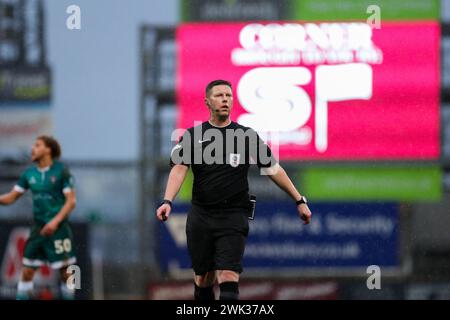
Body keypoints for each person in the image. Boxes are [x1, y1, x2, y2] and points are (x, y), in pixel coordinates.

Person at [156, 79, 312, 301]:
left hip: (234, 215)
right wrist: (167, 201)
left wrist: (299, 200)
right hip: (202, 215)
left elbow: (273, 168)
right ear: (207, 102)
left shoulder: (246, 135)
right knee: (203, 277)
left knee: (229, 273)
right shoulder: (191, 136)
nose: (225, 100)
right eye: (219, 95)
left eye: (228, 95)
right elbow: (179, 169)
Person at [0, 136, 77, 300]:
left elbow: (71, 202)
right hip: (39, 229)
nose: (32, 149)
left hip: (59, 229)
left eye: (37, 145)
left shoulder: (61, 171)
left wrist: (55, 222)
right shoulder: (29, 174)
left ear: (48, 149)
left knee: (69, 270)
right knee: (27, 270)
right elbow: (10, 198)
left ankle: (73, 295)